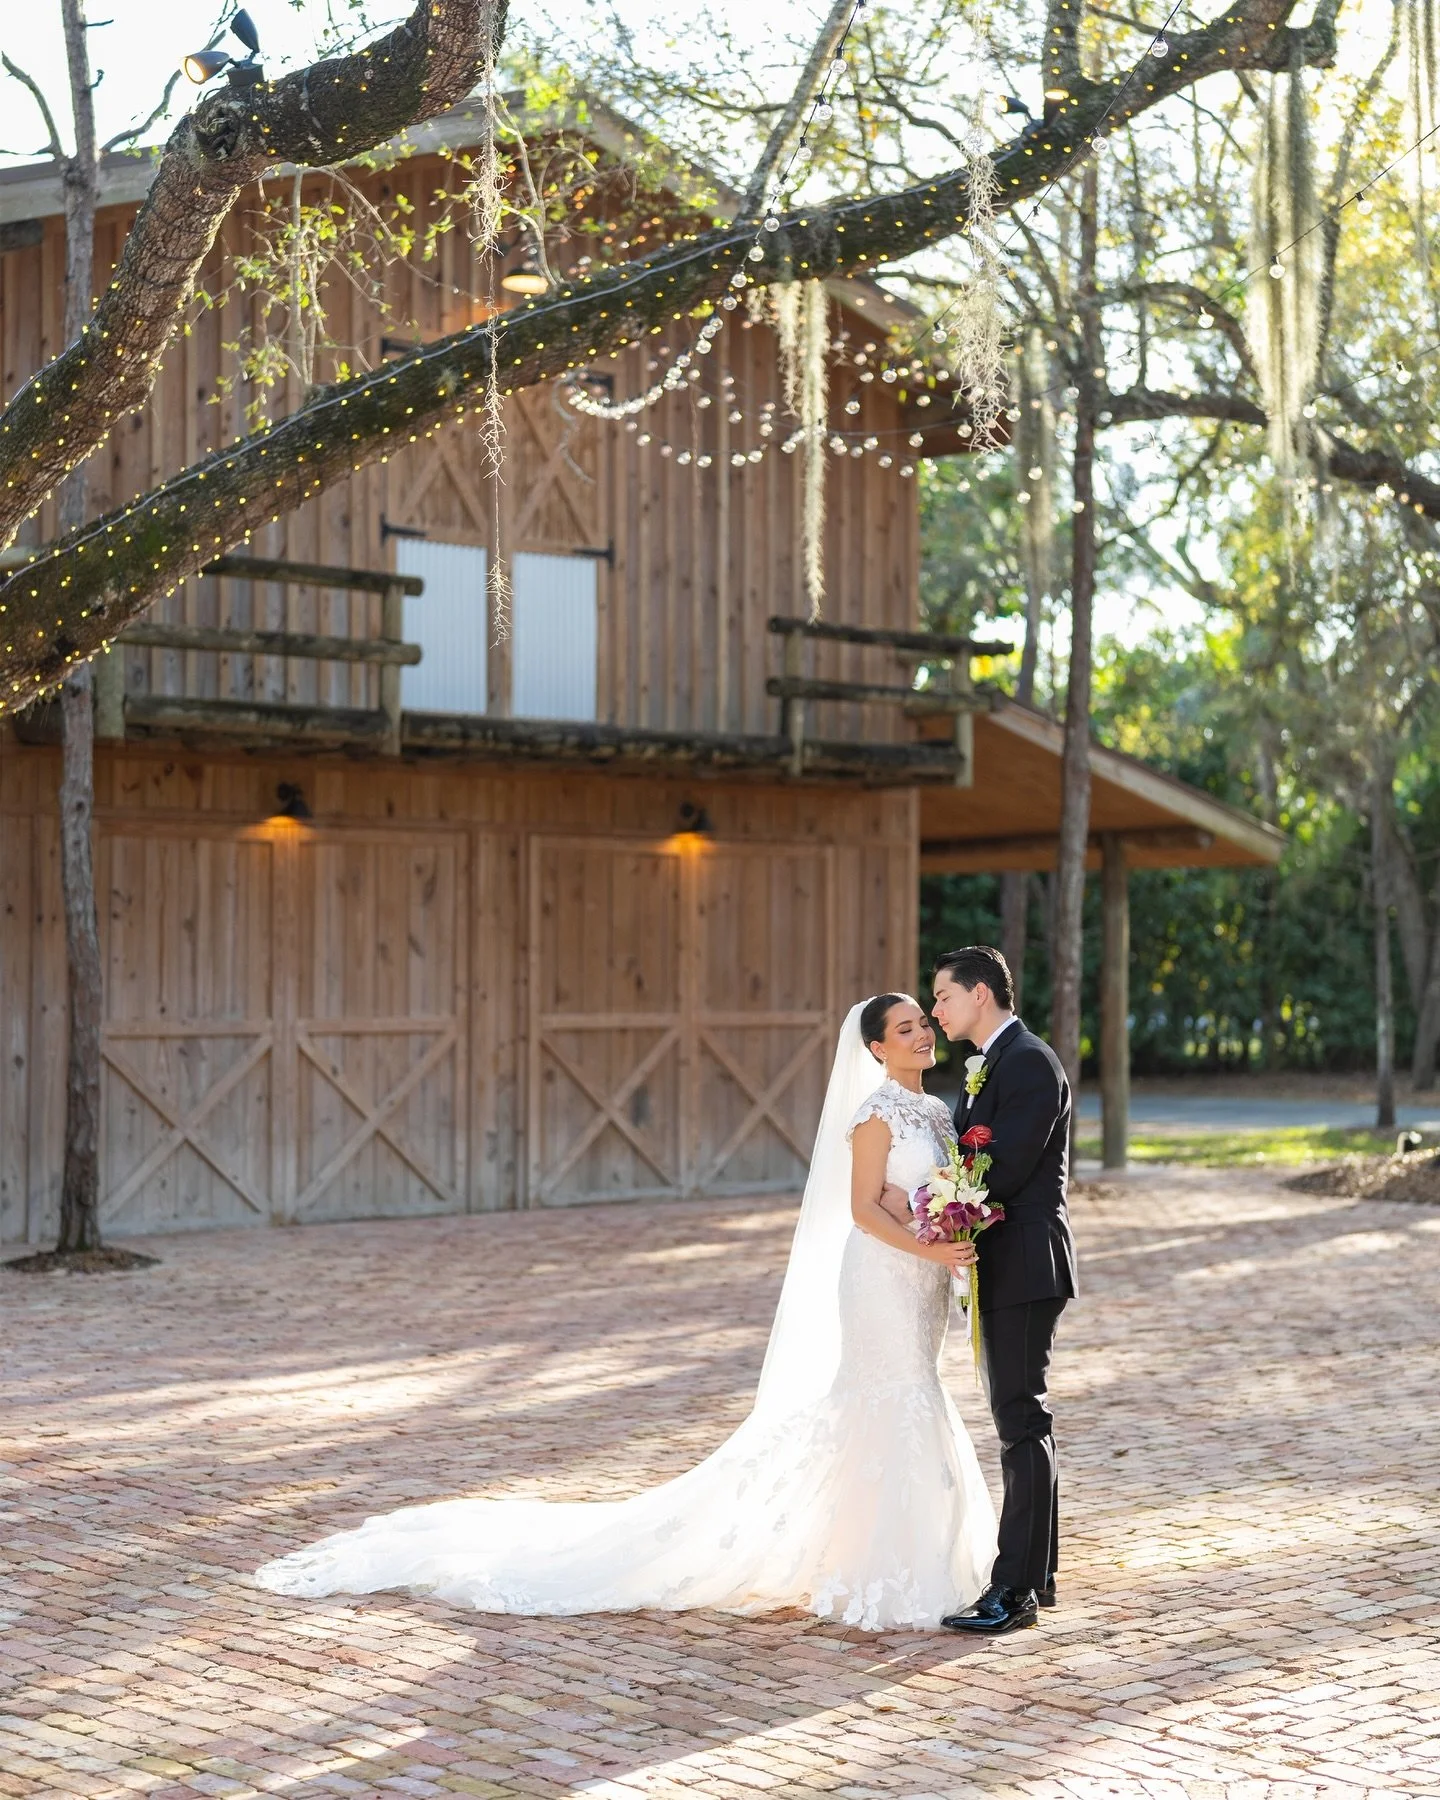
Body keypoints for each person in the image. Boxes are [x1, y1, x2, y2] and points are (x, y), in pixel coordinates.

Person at [255, 995, 997, 1631]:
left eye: (921, 1025)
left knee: (904, 1397)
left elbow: (931, 1194)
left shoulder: (935, 1110)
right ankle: (886, 1570)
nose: (921, 1035)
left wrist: (947, 1230)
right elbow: (864, 1211)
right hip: (882, 1278)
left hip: (924, 1280)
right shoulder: (875, 1114)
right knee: (891, 1396)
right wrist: (935, 1249)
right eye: (904, 1029)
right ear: (874, 1046)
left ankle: (886, 1548)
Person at [894, 945, 1077, 1636]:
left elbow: (1000, 1173)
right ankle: (1040, 1573)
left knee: (1019, 1418)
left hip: (1029, 1261)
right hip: (1005, 1262)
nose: (935, 1010)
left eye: (942, 997)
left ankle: (1013, 1591)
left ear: (979, 994)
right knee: (1024, 1417)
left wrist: (933, 1200)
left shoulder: (1028, 1062)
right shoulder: (991, 1065)